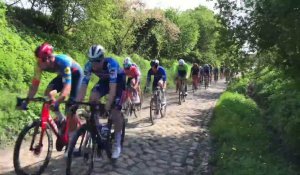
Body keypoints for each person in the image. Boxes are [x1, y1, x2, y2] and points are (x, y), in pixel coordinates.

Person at [22, 42, 83, 152]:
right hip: (63, 76)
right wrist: (27, 101)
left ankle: (72, 141)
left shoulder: (63, 62)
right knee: (48, 94)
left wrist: (57, 102)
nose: (39, 64)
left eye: (41, 61)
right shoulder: (39, 64)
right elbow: (34, 86)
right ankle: (61, 119)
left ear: (49, 58)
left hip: (76, 74)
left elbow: (66, 90)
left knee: (70, 108)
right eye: (38, 60)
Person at [76, 44, 126, 159]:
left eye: (97, 61)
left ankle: (117, 144)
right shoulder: (88, 66)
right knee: (93, 97)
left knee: (115, 111)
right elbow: (83, 87)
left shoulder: (111, 64)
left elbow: (112, 89)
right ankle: (99, 128)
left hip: (118, 82)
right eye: (91, 61)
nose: (94, 64)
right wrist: (77, 103)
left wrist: (108, 105)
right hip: (104, 81)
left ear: (102, 58)